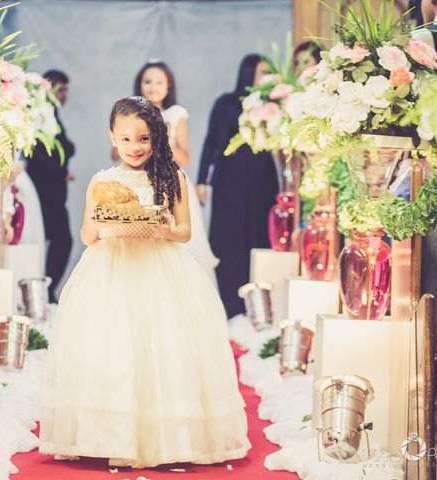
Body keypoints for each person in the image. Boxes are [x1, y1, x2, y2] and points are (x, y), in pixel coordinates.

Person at [39, 96, 250, 468]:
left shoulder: (174, 178)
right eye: (125, 139)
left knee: (163, 345)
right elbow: (87, 234)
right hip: (111, 270)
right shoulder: (102, 181)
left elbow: (185, 232)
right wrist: (102, 223)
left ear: (157, 138)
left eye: (144, 139)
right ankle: (108, 434)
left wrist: (165, 227)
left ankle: (165, 437)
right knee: (114, 346)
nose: (134, 147)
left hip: (160, 269)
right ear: (112, 137)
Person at [196, 55, 278, 319]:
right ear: (249, 73)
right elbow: (211, 141)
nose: (267, 75)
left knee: (258, 235)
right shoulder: (226, 103)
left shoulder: (273, 103)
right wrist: (202, 179)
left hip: (262, 178)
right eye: (262, 71)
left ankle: (260, 306)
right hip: (230, 177)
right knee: (228, 236)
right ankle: (229, 305)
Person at [127, 61, 219, 286]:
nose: (153, 86)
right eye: (148, 81)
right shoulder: (129, 114)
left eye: (159, 82)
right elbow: (115, 152)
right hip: (138, 181)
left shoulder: (176, 115)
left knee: (179, 244)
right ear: (140, 85)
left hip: (171, 183)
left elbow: (185, 157)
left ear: (169, 87)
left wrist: (163, 137)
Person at [25, 69, 75, 302]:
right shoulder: (39, 115)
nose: (64, 95)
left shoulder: (52, 115)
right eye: (60, 89)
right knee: (57, 239)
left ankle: (46, 289)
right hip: (43, 188)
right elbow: (35, 154)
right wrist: (61, 171)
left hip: (53, 191)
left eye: (66, 90)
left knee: (56, 240)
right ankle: (43, 290)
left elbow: (64, 147)